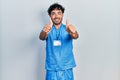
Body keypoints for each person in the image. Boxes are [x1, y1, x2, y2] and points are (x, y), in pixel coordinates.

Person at [39, 3, 79, 80]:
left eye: (59, 13)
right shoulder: (48, 28)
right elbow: (41, 37)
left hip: (66, 67)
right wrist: (44, 32)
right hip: (52, 68)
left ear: (62, 14)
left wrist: (73, 32)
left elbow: (76, 36)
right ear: (50, 16)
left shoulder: (67, 28)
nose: (56, 16)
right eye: (53, 13)